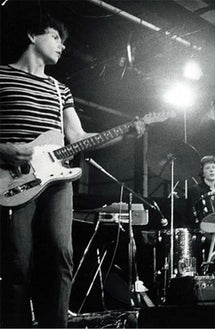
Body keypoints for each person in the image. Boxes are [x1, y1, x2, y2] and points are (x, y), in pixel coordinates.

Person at [0, 11, 145, 327]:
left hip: (56, 182)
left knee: (60, 257)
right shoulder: (2, 77)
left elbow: (77, 138)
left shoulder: (59, 89)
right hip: (12, 179)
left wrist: (125, 131)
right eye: (55, 37)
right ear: (32, 35)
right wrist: (4, 150)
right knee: (17, 263)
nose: (62, 46)